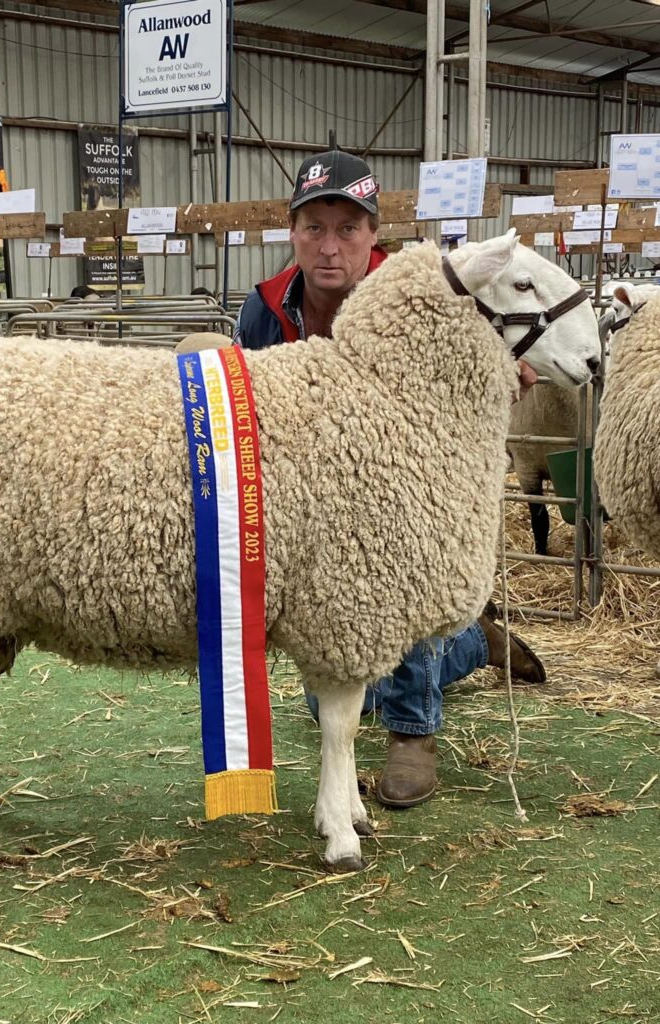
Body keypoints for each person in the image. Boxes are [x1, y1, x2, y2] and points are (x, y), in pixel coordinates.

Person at [235, 149, 546, 810]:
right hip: (315, 506)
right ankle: (471, 643)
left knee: (397, 592)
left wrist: (501, 374)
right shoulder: (264, 311)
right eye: (313, 228)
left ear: (373, 235)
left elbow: (491, 359)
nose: (328, 247)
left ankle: (413, 732)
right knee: (332, 689)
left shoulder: (427, 293)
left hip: (404, 497)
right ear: (291, 233)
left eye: (347, 229)